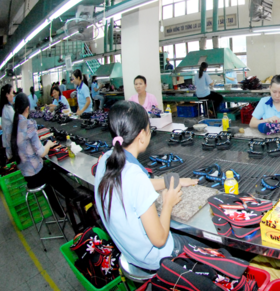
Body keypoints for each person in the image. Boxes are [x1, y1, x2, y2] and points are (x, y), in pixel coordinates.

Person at [94, 100, 203, 270]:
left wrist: (174, 181)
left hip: (130, 252)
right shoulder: (135, 177)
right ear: (142, 136)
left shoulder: (107, 160)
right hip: (154, 258)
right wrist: (168, 203)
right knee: (207, 247)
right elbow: (159, 240)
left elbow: (134, 187)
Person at [9, 94, 78, 217]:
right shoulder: (28, 124)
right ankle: (79, 200)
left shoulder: (14, 125)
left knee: (49, 176)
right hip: (36, 173)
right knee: (56, 176)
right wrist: (49, 144)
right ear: (27, 108)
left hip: (27, 175)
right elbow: (42, 153)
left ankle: (61, 211)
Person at [1, 84, 15, 158]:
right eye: (12, 93)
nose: (13, 95)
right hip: (9, 142)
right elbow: (17, 123)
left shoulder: (5, 107)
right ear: (7, 95)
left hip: (7, 141)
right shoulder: (8, 109)